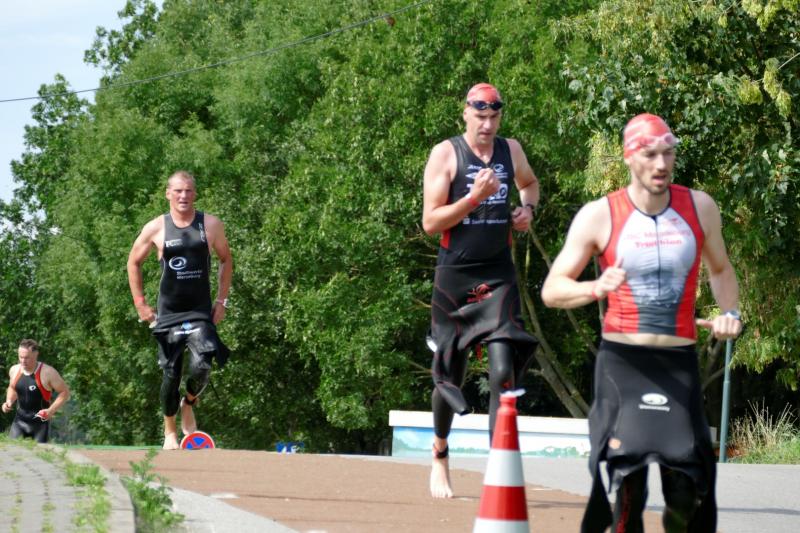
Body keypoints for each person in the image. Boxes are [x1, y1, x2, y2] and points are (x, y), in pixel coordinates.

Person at [541, 113, 743, 532]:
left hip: (678, 365)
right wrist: (595, 287)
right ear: (629, 157)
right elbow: (552, 290)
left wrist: (730, 314)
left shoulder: (700, 207)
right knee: (628, 491)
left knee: (687, 494)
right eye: (650, 154)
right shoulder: (600, 215)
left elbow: (721, 270)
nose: (661, 164)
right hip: (623, 365)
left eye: (668, 153)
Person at [422, 83, 540, 498]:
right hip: (455, 276)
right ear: (466, 114)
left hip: (498, 273)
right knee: (450, 375)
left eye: (494, 117)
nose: (487, 125)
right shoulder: (446, 154)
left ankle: (498, 472)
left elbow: (530, 183)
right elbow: (431, 223)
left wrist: (527, 210)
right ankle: (440, 453)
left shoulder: (512, 150)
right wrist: (474, 198)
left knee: (503, 369)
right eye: (480, 117)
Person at [127, 170, 233, 450]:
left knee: (202, 365)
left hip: (200, 311)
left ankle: (190, 402)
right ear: (168, 194)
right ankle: (170, 432)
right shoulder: (156, 227)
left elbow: (226, 260)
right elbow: (133, 262)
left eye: (188, 190)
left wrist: (222, 301)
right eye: (178, 191)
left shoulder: (210, 224)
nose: (183, 195)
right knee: (171, 374)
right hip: (169, 313)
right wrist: (140, 304)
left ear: (195, 194)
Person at [3, 339, 70, 443]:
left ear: (36, 355)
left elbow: (64, 392)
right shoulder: (14, 370)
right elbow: (12, 387)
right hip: (19, 422)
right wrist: (9, 401)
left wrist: (51, 410)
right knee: (13, 450)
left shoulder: (48, 372)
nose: (23, 361)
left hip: (40, 424)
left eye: (27, 357)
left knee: (39, 452)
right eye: (21, 357)